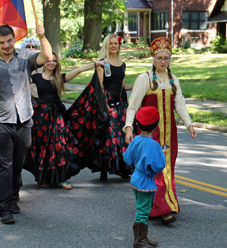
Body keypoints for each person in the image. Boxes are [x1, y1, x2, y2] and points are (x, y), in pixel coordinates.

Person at [0, 24, 53, 224]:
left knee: (17, 162)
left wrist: (43, 37)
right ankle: (4, 207)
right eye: (2, 42)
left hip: (23, 118)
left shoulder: (25, 56)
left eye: (9, 41)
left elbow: (47, 57)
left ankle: (13, 196)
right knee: (3, 164)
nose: (7, 45)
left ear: (13, 39)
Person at [124, 37, 197, 225]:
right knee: (154, 168)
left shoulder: (173, 80)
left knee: (168, 167)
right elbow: (132, 106)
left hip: (169, 133)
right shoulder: (145, 79)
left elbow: (179, 104)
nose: (163, 61)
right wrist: (129, 127)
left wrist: (188, 124)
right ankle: (161, 208)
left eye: (166, 58)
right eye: (159, 58)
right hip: (150, 134)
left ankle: (165, 203)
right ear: (153, 58)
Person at [28, 52, 104, 189]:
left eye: (54, 61)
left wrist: (95, 64)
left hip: (57, 115)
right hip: (41, 117)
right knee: (43, 147)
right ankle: (44, 177)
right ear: (44, 62)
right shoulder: (35, 77)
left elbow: (78, 70)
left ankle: (62, 178)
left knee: (60, 145)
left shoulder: (59, 78)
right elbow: (18, 83)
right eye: (49, 60)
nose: (52, 63)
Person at [124, 106, 166, 248]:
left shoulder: (136, 140)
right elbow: (159, 166)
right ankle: (140, 242)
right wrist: (162, 152)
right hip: (146, 182)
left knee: (140, 208)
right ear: (156, 125)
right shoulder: (154, 144)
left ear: (137, 124)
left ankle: (141, 238)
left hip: (135, 178)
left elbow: (127, 157)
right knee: (143, 211)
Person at [93, 34, 132, 181]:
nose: (114, 46)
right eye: (111, 43)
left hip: (121, 102)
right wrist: (105, 106)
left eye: (116, 43)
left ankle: (122, 167)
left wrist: (138, 85)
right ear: (106, 45)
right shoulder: (102, 63)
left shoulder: (122, 64)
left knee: (123, 135)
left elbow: (123, 86)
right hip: (108, 102)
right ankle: (105, 167)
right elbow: (100, 87)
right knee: (110, 135)